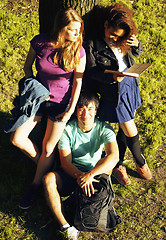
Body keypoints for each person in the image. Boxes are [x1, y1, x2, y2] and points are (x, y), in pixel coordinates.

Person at [10, 8, 86, 209]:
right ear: (61, 29)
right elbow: (27, 68)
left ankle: (35, 184)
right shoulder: (40, 42)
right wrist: (30, 85)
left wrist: (70, 110)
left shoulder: (79, 50)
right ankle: (45, 166)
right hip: (37, 98)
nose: (77, 34)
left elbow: (77, 84)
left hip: (60, 104)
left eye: (79, 29)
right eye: (72, 30)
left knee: (48, 147)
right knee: (17, 138)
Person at [83, 2, 152, 185]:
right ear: (105, 25)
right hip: (112, 89)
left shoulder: (124, 36)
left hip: (129, 84)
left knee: (124, 126)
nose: (114, 39)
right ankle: (140, 161)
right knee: (128, 126)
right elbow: (90, 70)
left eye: (118, 37)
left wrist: (136, 45)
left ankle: (118, 165)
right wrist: (113, 78)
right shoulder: (92, 43)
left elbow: (136, 53)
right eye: (112, 34)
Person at [43, 91, 119, 240]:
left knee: (107, 163)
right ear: (76, 110)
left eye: (90, 109)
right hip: (73, 172)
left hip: (94, 172)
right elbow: (65, 162)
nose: (85, 113)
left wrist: (90, 175)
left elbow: (114, 156)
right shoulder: (67, 129)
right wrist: (81, 177)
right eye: (81, 108)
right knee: (48, 179)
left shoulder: (105, 129)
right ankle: (65, 226)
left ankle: (102, 203)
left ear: (96, 111)